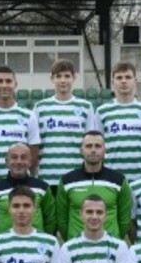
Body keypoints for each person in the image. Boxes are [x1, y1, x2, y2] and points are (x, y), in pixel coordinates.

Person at [33, 59, 98, 189]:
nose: (63, 80)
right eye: (58, 76)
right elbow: (35, 145)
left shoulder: (86, 107)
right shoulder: (40, 108)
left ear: (74, 78)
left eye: (67, 76)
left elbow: (90, 143)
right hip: (48, 177)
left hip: (77, 177)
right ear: (52, 79)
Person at [56, 131, 132, 240]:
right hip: (76, 244)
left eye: (97, 146)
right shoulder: (67, 181)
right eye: (88, 146)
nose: (93, 150)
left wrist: (115, 239)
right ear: (81, 150)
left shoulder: (119, 180)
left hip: (110, 244)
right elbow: (62, 220)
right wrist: (72, 239)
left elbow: (124, 219)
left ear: (104, 150)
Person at [0, 65, 41, 188]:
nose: (4, 85)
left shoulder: (28, 116)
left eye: (8, 81)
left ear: (15, 84)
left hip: (20, 185)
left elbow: (33, 153)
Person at [96, 62, 141, 182]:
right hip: (111, 178)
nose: (124, 81)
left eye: (128, 77)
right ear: (113, 82)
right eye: (119, 78)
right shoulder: (102, 111)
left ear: (135, 81)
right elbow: (97, 147)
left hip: (140, 178)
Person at [0, 142, 56, 238]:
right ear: (7, 161)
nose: (18, 161)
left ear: (30, 161)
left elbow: (50, 220)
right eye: (14, 157)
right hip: (4, 243)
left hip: (35, 243)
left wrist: (43, 240)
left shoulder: (42, 188)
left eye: (23, 157)